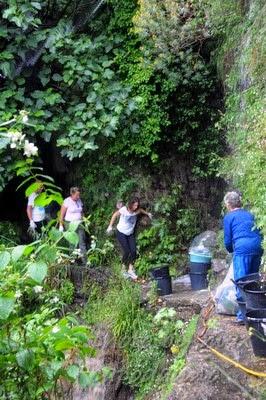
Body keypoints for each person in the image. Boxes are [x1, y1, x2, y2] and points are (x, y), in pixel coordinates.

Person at [223, 191, 263, 324]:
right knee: (253, 280)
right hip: (257, 247)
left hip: (242, 250)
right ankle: (255, 312)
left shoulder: (229, 217)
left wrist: (231, 251)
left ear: (229, 204)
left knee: (241, 281)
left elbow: (228, 241)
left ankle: (242, 316)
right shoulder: (249, 214)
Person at [107, 196, 152, 280]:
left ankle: (130, 270)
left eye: (137, 205)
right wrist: (110, 226)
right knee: (127, 251)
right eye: (134, 205)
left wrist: (147, 213)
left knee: (134, 251)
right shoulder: (124, 210)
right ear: (130, 204)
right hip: (121, 232)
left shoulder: (137, 210)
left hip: (130, 234)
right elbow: (114, 215)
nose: (136, 207)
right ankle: (123, 269)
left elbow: (141, 210)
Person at [59, 187, 87, 265]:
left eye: (79, 195)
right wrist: (61, 225)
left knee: (82, 241)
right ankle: (73, 261)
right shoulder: (66, 201)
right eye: (77, 195)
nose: (78, 197)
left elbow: (81, 212)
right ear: (72, 194)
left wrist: (84, 220)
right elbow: (61, 215)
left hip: (80, 223)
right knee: (72, 243)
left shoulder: (79, 201)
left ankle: (85, 262)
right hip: (69, 224)